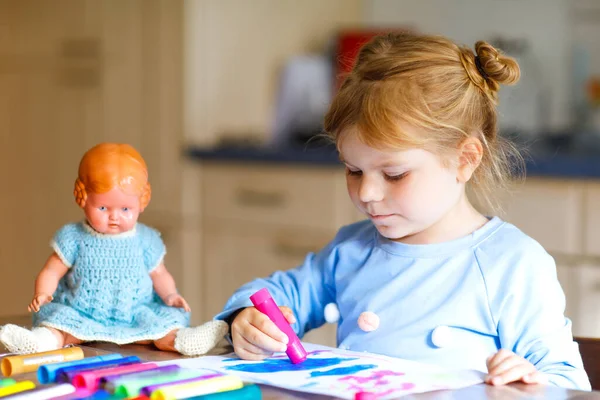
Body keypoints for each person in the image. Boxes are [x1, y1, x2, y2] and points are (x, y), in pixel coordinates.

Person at [215, 32, 591, 390]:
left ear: (465, 159)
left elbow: (568, 382)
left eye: (394, 174)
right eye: (353, 170)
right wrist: (246, 320)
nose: (367, 192)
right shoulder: (351, 250)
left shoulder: (513, 264)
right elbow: (275, 293)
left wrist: (529, 383)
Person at [0, 143, 227, 356]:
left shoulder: (145, 239)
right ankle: (41, 341)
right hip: (82, 311)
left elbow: (159, 273)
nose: (114, 217)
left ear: (142, 202)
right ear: (82, 197)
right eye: (103, 207)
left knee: (160, 328)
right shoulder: (74, 237)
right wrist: (43, 292)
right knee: (61, 325)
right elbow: (52, 271)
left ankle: (182, 340)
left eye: (126, 208)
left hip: (134, 311)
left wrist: (170, 294)